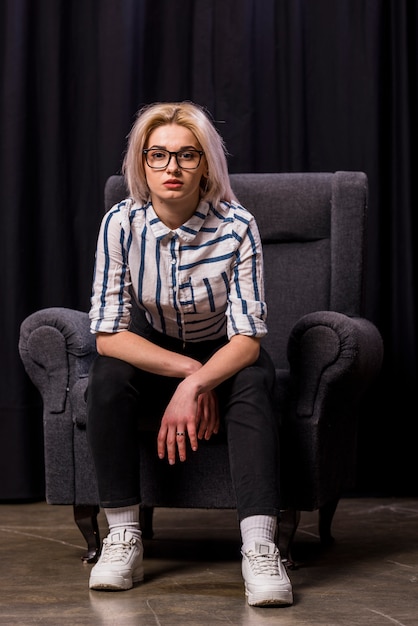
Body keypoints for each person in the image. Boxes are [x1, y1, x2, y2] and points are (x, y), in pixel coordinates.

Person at [86, 100, 293, 608]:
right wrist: (187, 374)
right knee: (107, 378)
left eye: (186, 155)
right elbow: (108, 334)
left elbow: (248, 338)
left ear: (206, 165)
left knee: (255, 382)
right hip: (156, 351)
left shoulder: (237, 225)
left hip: (228, 351)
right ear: (142, 163)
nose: (171, 169)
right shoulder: (120, 224)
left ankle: (260, 546)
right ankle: (122, 536)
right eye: (157, 155)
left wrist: (200, 382)